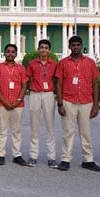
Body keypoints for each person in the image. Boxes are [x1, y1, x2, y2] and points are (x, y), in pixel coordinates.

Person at [54, 36, 100, 172]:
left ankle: (88, 160)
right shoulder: (63, 63)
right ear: (69, 46)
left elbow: (95, 84)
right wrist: (60, 104)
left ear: (82, 46)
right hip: (68, 101)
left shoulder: (90, 63)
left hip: (86, 101)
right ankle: (65, 159)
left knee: (86, 132)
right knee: (68, 132)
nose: (76, 47)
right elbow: (58, 84)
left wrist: (96, 105)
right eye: (73, 45)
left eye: (78, 45)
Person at [0, 44, 29, 167]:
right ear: (4, 53)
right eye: (8, 51)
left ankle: (17, 155)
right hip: (1, 104)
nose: (10, 54)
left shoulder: (21, 68)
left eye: (13, 52)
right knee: (2, 130)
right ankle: (0, 155)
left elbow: (24, 85)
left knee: (16, 131)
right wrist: (4, 101)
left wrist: (18, 100)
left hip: (18, 105)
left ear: (16, 54)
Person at [26, 39, 58, 168]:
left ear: (49, 50)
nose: (43, 50)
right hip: (35, 94)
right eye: (41, 47)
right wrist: (33, 88)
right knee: (34, 126)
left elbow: (56, 80)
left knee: (50, 126)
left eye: (46, 48)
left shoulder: (54, 64)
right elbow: (29, 78)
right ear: (38, 49)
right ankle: (33, 156)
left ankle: (51, 157)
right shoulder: (32, 63)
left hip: (48, 94)